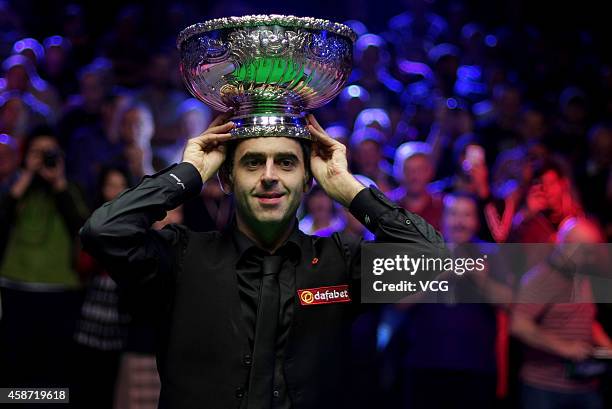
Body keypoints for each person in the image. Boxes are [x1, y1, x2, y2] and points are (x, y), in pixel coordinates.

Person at [79, 113, 444, 409]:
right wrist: (188, 174)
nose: (269, 176)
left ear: (307, 180)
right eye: (253, 163)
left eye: (286, 163)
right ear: (227, 178)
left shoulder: (341, 261)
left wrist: (347, 187)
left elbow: (434, 262)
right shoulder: (182, 255)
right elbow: (102, 232)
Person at [0, 131, 88, 388]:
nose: (43, 159)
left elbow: (82, 229)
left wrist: (58, 182)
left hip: (59, 288)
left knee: (52, 369)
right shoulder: (15, 189)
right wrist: (26, 175)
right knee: (14, 366)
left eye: (49, 153)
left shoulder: (71, 189)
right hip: (15, 284)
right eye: (37, 152)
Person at [511, 217, 612, 409]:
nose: (589, 258)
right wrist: (564, 347)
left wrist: (606, 345)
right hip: (545, 388)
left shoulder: (581, 276)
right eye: (583, 251)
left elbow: (584, 319)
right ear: (563, 244)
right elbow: (518, 325)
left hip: (584, 386)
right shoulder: (541, 279)